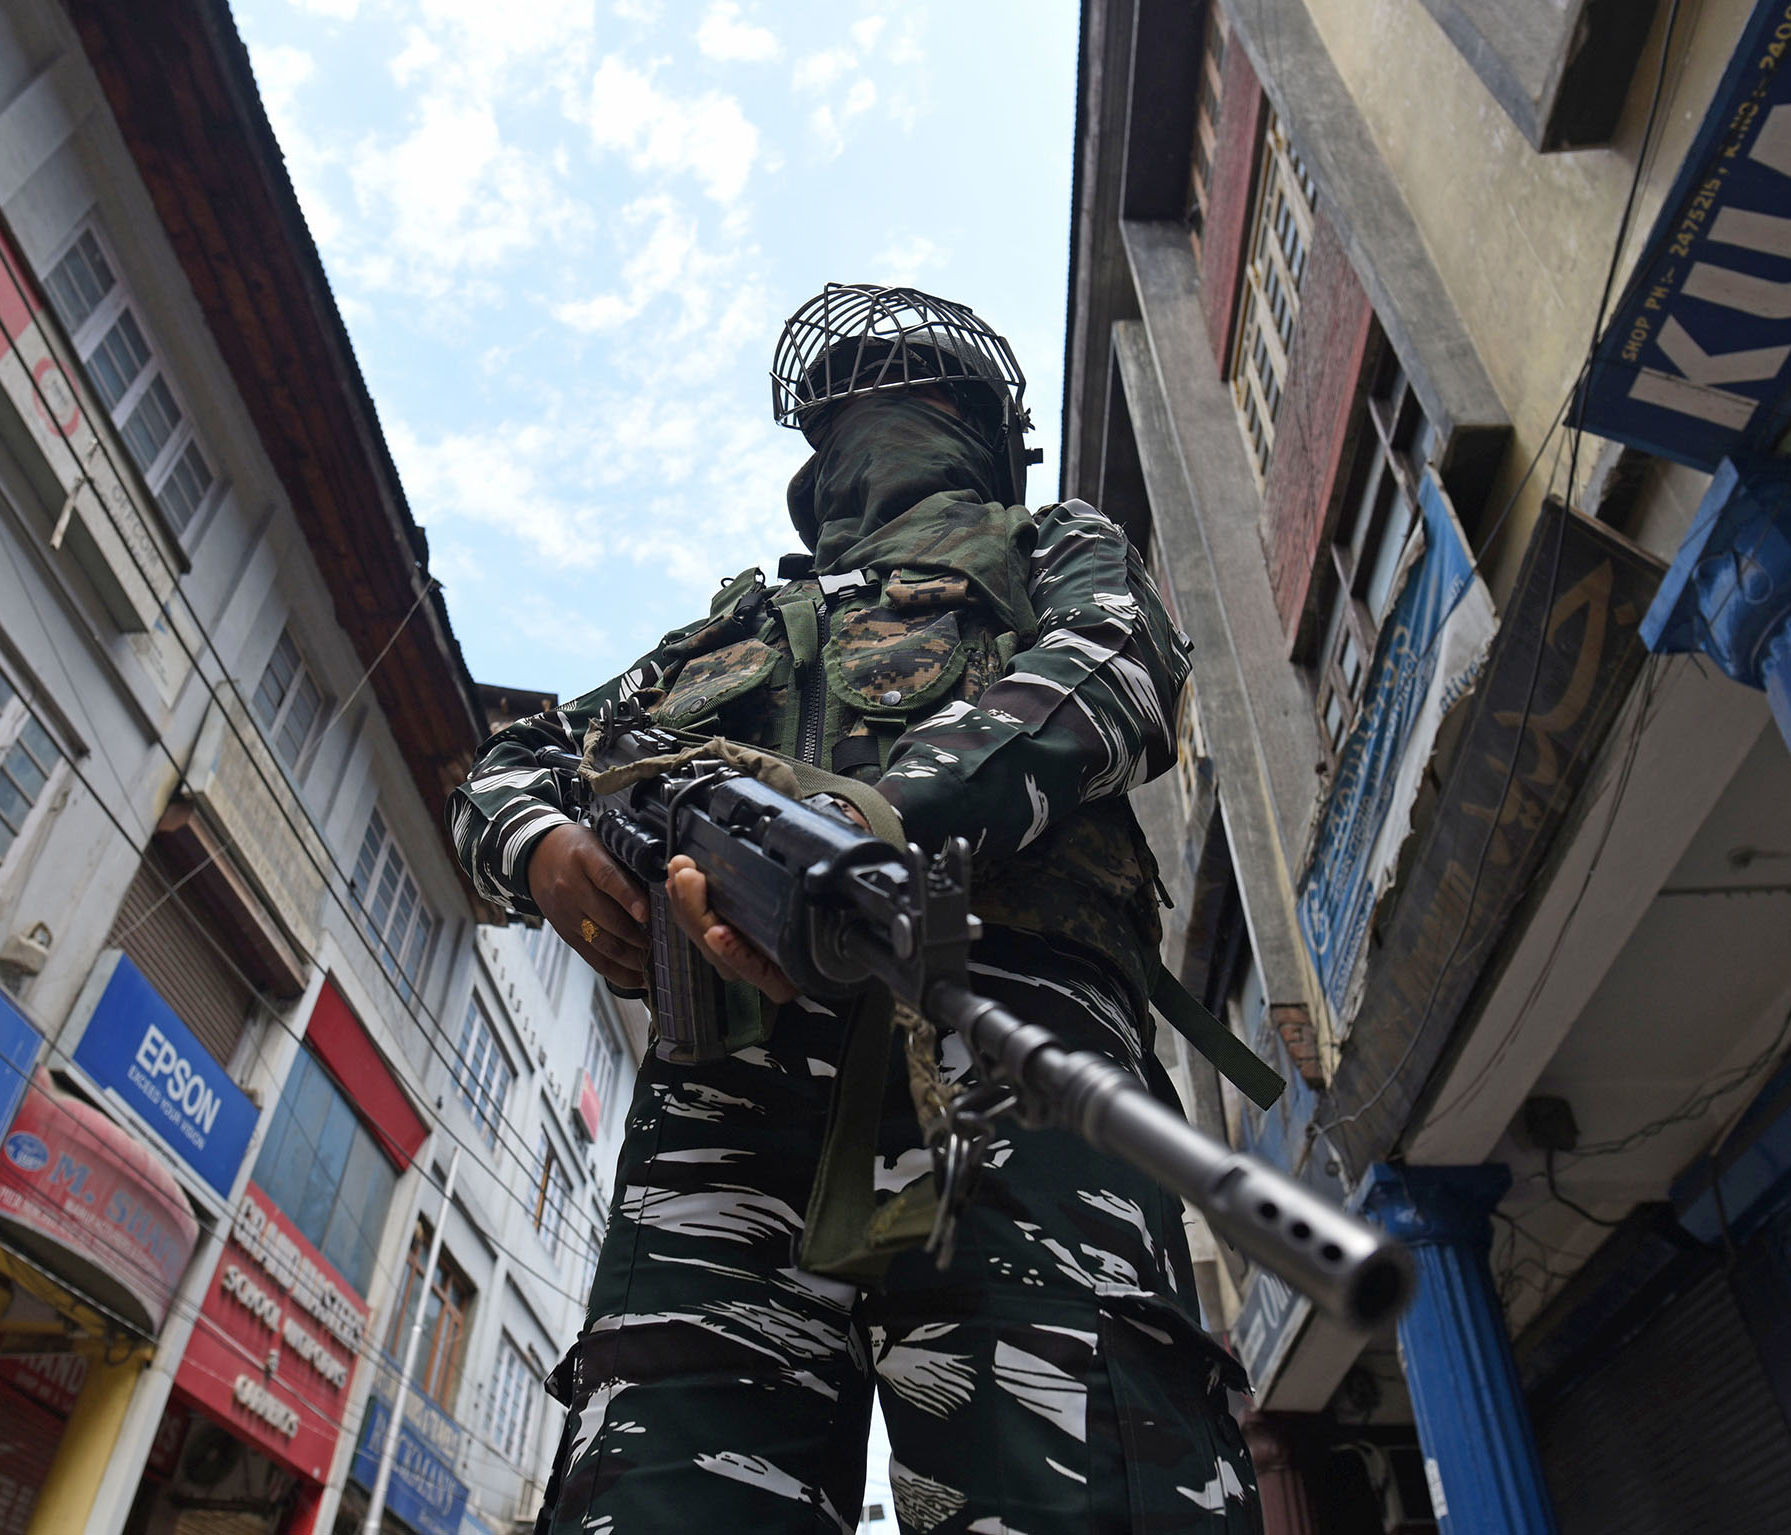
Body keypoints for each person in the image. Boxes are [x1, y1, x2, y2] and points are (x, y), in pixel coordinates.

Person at [449, 284, 1263, 1533]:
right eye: (850, 420)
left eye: (913, 399)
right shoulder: (725, 630)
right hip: (727, 1080)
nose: (875, 436)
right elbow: (518, 762)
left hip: (1000, 1032)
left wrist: (867, 830)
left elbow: (1112, 670)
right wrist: (549, 850)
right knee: (669, 1485)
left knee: (1079, 1467)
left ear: (975, 428)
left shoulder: (1045, 546)